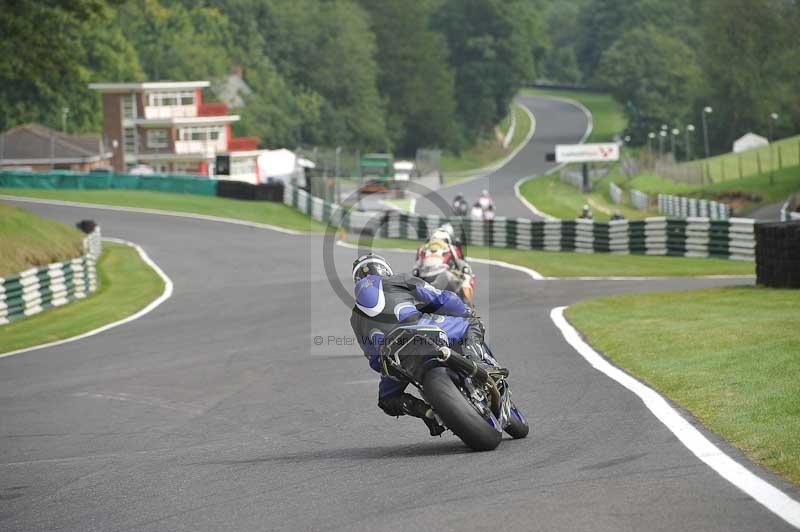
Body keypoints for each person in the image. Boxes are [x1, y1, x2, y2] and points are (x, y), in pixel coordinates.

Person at [350, 253, 494, 436]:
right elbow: (442, 298)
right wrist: (464, 311)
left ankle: (427, 413)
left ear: (357, 280)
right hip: (422, 330)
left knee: (387, 398)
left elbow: (373, 359)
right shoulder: (399, 279)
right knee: (472, 323)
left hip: (393, 356)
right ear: (384, 270)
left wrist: (389, 368)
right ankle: (479, 363)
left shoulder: (354, 318)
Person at [413, 225, 475, 305]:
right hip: (444, 275)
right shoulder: (452, 248)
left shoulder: (423, 248)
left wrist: (417, 274)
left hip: (425, 278)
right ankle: (468, 305)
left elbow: (416, 268)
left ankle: (422, 301)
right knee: (467, 277)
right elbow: (460, 262)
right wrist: (465, 269)